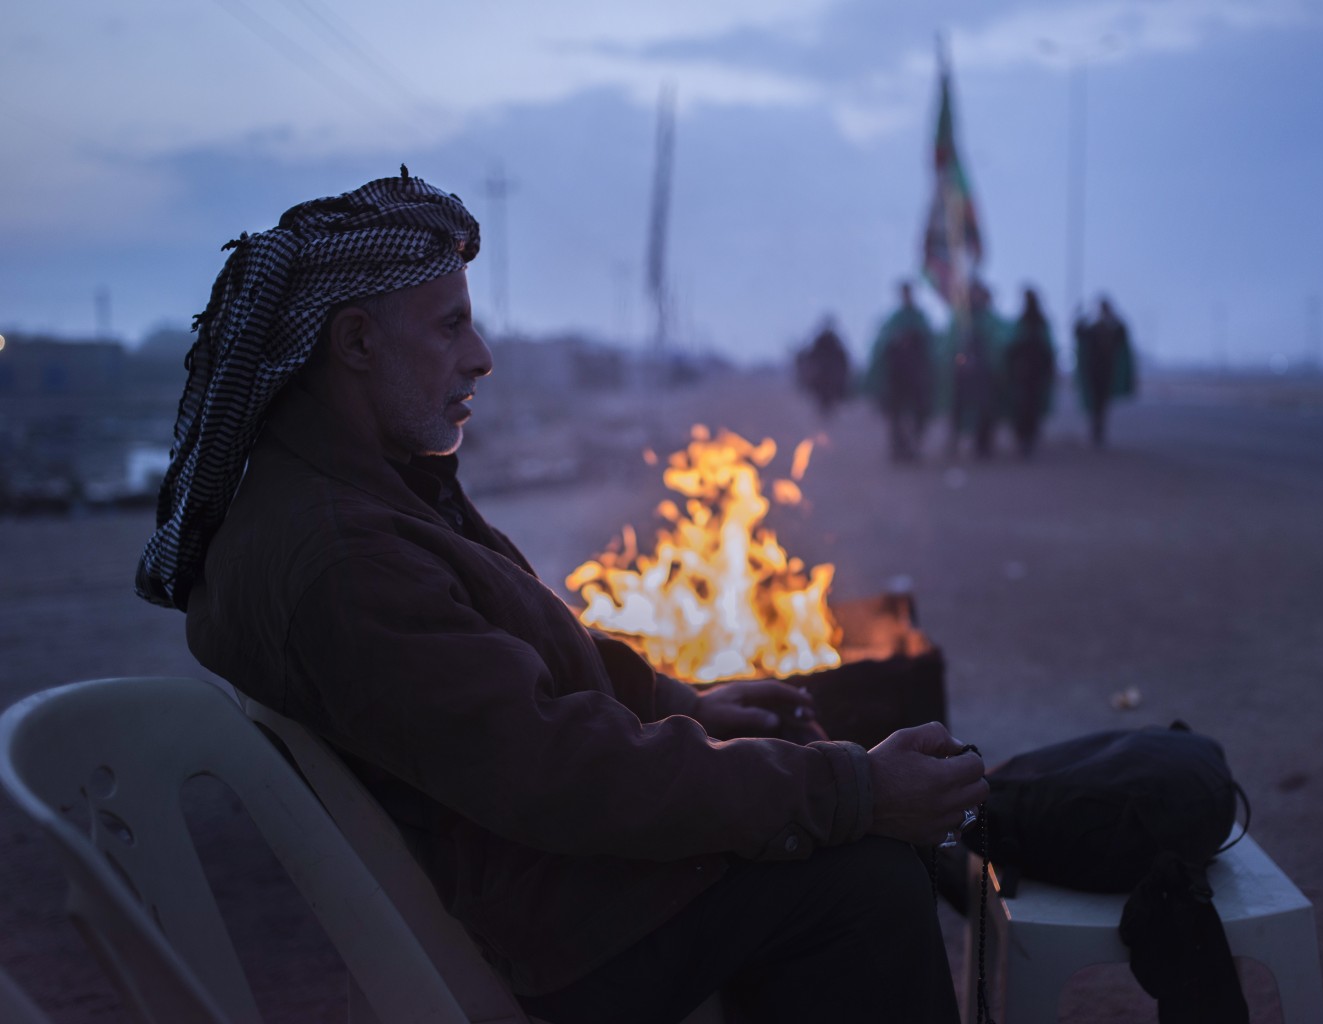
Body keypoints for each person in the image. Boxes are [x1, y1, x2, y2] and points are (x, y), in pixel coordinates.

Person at [134, 169, 986, 1024]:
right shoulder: (343, 556)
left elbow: (522, 677)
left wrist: (687, 705)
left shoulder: (361, 490)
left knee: (822, 783)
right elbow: (559, 771)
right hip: (554, 930)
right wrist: (851, 791)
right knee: (863, 881)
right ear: (355, 343)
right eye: (450, 324)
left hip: (538, 872)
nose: (481, 356)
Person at [864, 281, 937, 462]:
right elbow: (882, 345)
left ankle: (914, 445)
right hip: (896, 377)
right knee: (896, 415)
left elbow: (930, 343)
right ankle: (899, 448)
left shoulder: (920, 318)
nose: (906, 296)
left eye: (908, 292)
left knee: (920, 412)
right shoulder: (894, 319)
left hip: (917, 375)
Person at [942, 281, 1009, 459]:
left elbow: (998, 341)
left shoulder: (990, 319)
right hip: (962, 373)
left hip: (984, 372)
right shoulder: (961, 319)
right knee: (958, 407)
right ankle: (954, 441)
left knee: (986, 408)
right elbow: (951, 342)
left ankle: (983, 444)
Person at [1073, 296, 1136, 447]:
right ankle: (1096, 431)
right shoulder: (1093, 329)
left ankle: (1098, 431)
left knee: (1102, 404)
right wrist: (1081, 316)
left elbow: (1123, 333)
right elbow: (1079, 332)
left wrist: (1113, 316)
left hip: (1107, 372)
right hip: (1093, 371)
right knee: (1096, 403)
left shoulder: (1112, 330)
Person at [1003, 287, 1057, 458]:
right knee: (1022, 408)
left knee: (1031, 408)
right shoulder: (1023, 323)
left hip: (1034, 374)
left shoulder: (1039, 323)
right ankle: (1023, 440)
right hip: (1022, 374)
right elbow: (1012, 348)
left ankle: (1028, 440)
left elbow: (1047, 350)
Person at [795, 316, 851, 419]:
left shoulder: (835, 345)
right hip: (823, 381)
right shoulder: (821, 344)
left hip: (831, 381)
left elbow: (843, 363)